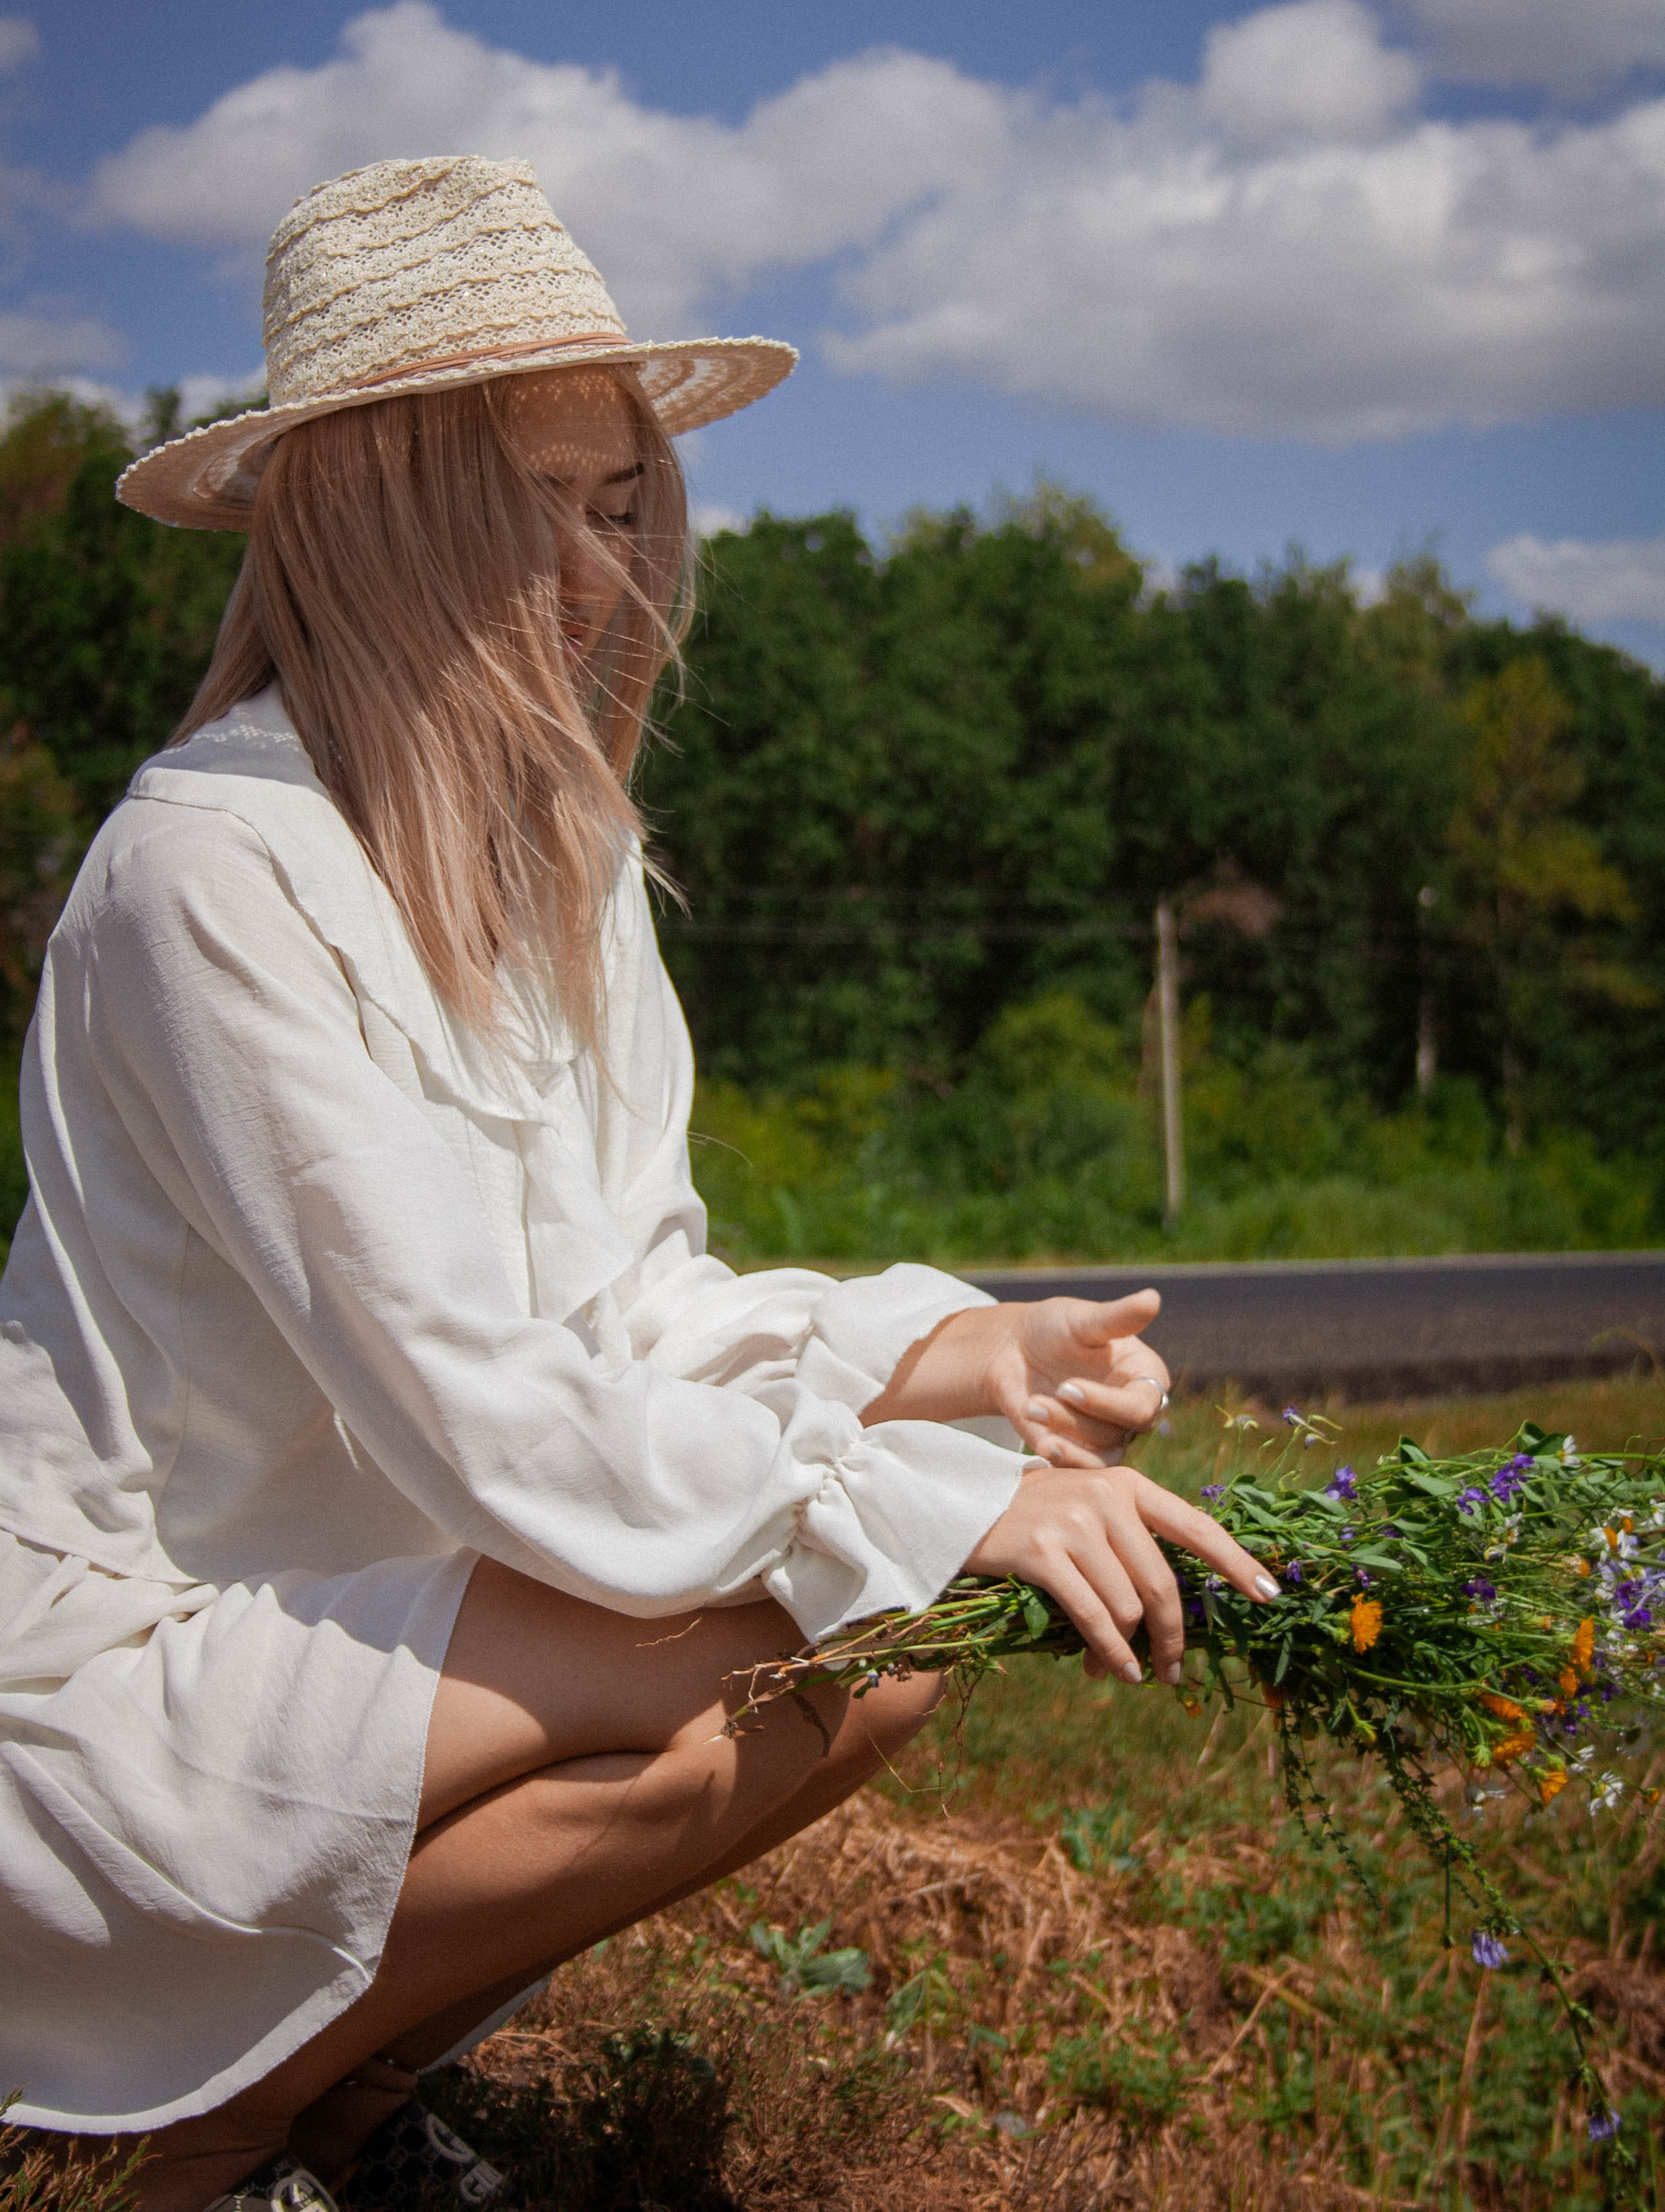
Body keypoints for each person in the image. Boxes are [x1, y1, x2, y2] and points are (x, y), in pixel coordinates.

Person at [0, 156, 1279, 2212]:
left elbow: (634, 1306)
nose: (605, 571)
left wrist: (951, 1351)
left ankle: (332, 2101)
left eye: (621, 504)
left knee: (869, 1646)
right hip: (131, 1658)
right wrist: (949, 1496)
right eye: (538, 507)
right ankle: (189, 2142)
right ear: (373, 514)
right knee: (831, 1614)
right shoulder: (207, 873)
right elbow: (482, 1401)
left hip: (397, 1616)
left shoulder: (566, 864)